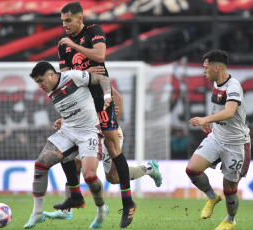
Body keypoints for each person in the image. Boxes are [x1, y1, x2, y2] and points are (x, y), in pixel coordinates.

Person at [53, 2, 162, 228]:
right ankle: (73, 200)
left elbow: (100, 56)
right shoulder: (63, 46)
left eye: (68, 21)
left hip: (101, 100)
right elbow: (66, 79)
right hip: (81, 106)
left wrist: (75, 46)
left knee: (113, 158)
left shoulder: (93, 32)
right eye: (62, 22)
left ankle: (128, 202)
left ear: (80, 18)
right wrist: (81, 74)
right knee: (67, 151)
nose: (65, 26)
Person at [23, 61, 112, 229]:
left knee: (89, 175)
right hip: (68, 131)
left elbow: (102, 79)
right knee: (41, 164)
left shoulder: (72, 77)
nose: (40, 85)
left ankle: (101, 209)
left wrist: (107, 96)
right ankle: (37, 213)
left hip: (88, 132)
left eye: (41, 80)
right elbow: (73, 107)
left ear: (51, 75)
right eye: (37, 82)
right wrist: (63, 120)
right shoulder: (50, 90)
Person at [186, 50, 251, 230]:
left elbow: (230, 111)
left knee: (229, 188)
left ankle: (230, 220)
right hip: (216, 137)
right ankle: (211, 196)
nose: (203, 71)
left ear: (216, 68)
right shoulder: (215, 82)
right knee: (192, 169)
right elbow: (218, 106)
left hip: (236, 143)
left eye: (206, 68)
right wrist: (212, 120)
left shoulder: (234, 86)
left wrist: (206, 119)